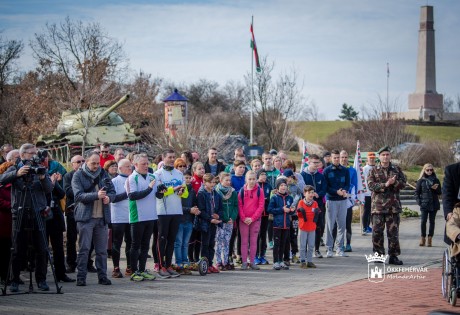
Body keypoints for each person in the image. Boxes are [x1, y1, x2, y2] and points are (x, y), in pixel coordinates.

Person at [0, 144, 53, 292]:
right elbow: (2, 179)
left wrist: (43, 178)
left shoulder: (40, 168)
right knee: (17, 249)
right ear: (23, 155)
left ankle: (41, 280)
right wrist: (17, 174)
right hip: (20, 212)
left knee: (42, 248)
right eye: (31, 153)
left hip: (38, 212)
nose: (35, 156)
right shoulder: (14, 168)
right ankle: (14, 280)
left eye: (35, 153)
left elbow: (49, 189)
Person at [72, 151, 115, 286]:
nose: (96, 166)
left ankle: (102, 277)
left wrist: (109, 198)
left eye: (98, 163)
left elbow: (112, 191)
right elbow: (78, 196)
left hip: (102, 218)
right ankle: (81, 277)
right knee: (84, 250)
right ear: (86, 161)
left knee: (102, 251)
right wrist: (96, 195)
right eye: (93, 163)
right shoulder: (78, 175)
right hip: (86, 218)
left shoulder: (103, 173)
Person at [367, 146, 406, 265]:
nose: (385, 157)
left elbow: (403, 184)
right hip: (378, 208)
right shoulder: (373, 170)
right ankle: (378, 255)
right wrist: (386, 184)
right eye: (383, 155)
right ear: (379, 157)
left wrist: (395, 183)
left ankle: (393, 256)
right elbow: (371, 185)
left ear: (390, 156)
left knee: (393, 233)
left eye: (387, 154)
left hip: (393, 207)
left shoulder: (396, 169)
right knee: (377, 232)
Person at [154, 149, 188, 278]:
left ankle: (168, 265)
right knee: (162, 239)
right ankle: (160, 265)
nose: (172, 159)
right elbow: (159, 193)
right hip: (163, 211)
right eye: (169, 157)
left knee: (172, 240)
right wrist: (173, 189)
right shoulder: (158, 174)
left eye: (174, 157)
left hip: (176, 210)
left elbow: (185, 192)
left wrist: (181, 192)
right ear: (163, 158)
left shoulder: (179, 174)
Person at [125, 154, 158, 281]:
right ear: (136, 165)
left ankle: (143, 269)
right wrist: (149, 188)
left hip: (150, 215)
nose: (146, 166)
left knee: (145, 245)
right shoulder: (132, 178)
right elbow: (132, 196)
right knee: (135, 245)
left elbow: (158, 196)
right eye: (143, 164)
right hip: (137, 216)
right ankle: (134, 271)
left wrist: (160, 191)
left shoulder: (152, 176)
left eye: (147, 163)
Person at [63, 155, 97, 273]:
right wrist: (83, 192)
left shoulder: (90, 175)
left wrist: (83, 192)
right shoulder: (68, 176)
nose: (81, 163)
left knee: (89, 238)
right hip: (73, 211)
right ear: (72, 164)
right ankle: (71, 264)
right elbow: (68, 191)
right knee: (71, 239)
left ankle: (88, 262)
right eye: (78, 161)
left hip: (88, 210)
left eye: (83, 161)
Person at [323, 149, 350, 258]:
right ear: (331, 158)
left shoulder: (345, 170)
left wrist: (344, 191)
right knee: (330, 225)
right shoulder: (327, 171)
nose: (337, 159)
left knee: (342, 226)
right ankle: (329, 248)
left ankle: (339, 248)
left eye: (338, 157)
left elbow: (348, 183)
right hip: (331, 200)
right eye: (335, 158)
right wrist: (336, 191)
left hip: (343, 201)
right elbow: (326, 187)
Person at [300, 154, 327, 259]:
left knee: (318, 226)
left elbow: (324, 189)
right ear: (308, 162)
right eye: (314, 162)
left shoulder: (321, 176)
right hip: (306, 205)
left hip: (318, 204)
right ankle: (305, 251)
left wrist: (318, 194)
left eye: (318, 162)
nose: (316, 165)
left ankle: (316, 249)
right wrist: (309, 195)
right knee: (306, 227)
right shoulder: (303, 174)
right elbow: (302, 189)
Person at [110, 159, 133, 278]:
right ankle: (116, 268)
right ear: (120, 168)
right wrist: (127, 194)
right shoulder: (114, 181)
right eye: (127, 166)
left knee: (130, 242)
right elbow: (112, 198)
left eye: (131, 166)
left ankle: (130, 267)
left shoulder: (133, 179)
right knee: (117, 243)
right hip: (118, 217)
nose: (130, 168)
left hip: (131, 217)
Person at [196, 173, 223, 273]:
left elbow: (220, 208)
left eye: (214, 183)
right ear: (204, 182)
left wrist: (218, 215)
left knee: (212, 244)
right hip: (205, 223)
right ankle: (205, 265)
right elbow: (201, 211)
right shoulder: (201, 193)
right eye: (210, 182)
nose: (212, 184)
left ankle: (210, 264)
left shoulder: (216, 194)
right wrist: (210, 219)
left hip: (214, 223)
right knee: (205, 244)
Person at [174, 169, 199, 275]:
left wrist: (195, 209)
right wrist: (189, 210)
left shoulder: (192, 191)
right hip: (179, 220)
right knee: (178, 243)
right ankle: (178, 264)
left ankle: (185, 263)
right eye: (186, 178)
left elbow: (194, 204)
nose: (188, 179)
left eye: (189, 177)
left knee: (185, 243)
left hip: (189, 220)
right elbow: (177, 206)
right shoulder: (179, 190)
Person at [238, 170, 265, 270]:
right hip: (243, 220)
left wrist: (253, 218)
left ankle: (252, 261)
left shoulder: (260, 191)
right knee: (244, 242)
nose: (252, 181)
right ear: (246, 179)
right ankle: (244, 262)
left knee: (253, 241)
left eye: (254, 179)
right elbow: (239, 205)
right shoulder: (241, 191)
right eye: (250, 179)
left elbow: (261, 206)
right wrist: (244, 218)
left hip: (255, 220)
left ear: (256, 179)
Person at [268, 177, 295, 270]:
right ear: (278, 187)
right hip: (277, 224)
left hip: (286, 224)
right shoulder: (275, 197)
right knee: (277, 244)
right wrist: (281, 209)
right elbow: (270, 210)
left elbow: (290, 211)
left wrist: (291, 210)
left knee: (284, 244)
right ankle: (275, 261)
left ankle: (281, 260)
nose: (283, 187)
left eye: (285, 185)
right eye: (281, 185)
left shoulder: (290, 198)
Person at [215, 172, 238, 271]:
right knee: (219, 241)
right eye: (226, 180)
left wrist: (232, 217)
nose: (229, 182)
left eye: (229, 180)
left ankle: (226, 261)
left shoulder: (233, 192)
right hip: (220, 221)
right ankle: (219, 261)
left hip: (230, 221)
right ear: (221, 180)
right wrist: (224, 218)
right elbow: (217, 207)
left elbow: (235, 206)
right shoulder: (216, 191)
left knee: (227, 241)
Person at [415, 164, 441, 247]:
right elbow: (416, 193)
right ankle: (423, 238)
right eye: (428, 170)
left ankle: (430, 238)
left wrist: (436, 189)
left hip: (434, 204)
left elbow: (440, 192)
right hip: (424, 204)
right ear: (424, 170)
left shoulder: (436, 180)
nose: (430, 171)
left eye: (431, 170)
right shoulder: (421, 181)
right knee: (423, 221)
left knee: (432, 222)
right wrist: (419, 202)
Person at [297, 185, 319, 269]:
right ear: (304, 193)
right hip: (303, 226)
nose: (311, 194)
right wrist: (300, 211)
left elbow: (317, 211)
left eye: (312, 193)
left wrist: (317, 213)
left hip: (312, 227)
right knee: (302, 245)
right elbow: (298, 213)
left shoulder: (315, 203)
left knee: (311, 245)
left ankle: (309, 261)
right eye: (309, 193)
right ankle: (302, 261)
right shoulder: (301, 202)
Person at [340, 150, 357, 253]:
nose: (344, 159)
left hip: (348, 200)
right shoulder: (336, 169)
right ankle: (339, 244)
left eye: (345, 157)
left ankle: (348, 244)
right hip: (337, 198)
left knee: (347, 223)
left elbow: (354, 184)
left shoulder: (352, 170)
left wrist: (352, 197)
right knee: (337, 224)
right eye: (342, 157)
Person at [255, 169, 273, 265]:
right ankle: (255, 255)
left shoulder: (268, 186)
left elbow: (271, 198)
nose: (263, 176)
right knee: (256, 235)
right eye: (261, 174)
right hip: (257, 215)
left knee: (263, 235)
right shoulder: (255, 185)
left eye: (265, 174)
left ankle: (262, 255)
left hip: (266, 215)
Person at [188, 161, 205, 264]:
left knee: (199, 236)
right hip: (193, 212)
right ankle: (190, 258)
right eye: (199, 169)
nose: (202, 170)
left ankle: (196, 257)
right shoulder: (192, 181)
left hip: (202, 212)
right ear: (194, 170)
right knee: (192, 236)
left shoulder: (205, 180)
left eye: (203, 168)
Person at [0, 161, 13, 285]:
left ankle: (8, 276)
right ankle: (4, 276)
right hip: (3, 223)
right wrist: (13, 206)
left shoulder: (16, 186)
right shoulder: (2, 187)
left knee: (8, 251)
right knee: (3, 251)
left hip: (11, 225)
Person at [443, 161, 460, 246]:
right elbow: (447, 193)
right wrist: (448, 212)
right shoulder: (452, 170)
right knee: (451, 223)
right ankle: (458, 235)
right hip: (457, 208)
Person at [362, 152, 376, 235]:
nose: (371, 159)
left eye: (373, 158)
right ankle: (364, 227)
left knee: (373, 211)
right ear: (367, 159)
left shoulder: (377, 167)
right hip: (367, 193)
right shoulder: (364, 169)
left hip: (375, 193)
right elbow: (363, 181)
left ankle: (369, 225)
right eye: (370, 158)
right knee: (366, 210)